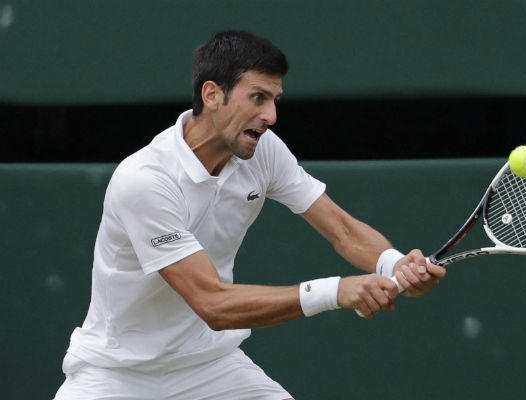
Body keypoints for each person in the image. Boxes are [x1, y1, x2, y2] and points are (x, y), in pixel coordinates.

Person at [53, 30, 446, 400]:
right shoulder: (145, 181)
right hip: (115, 375)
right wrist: (336, 291)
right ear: (211, 95)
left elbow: (342, 230)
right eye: (258, 97)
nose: (271, 115)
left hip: (210, 367)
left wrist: (394, 265)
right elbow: (213, 303)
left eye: (275, 100)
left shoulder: (264, 151)